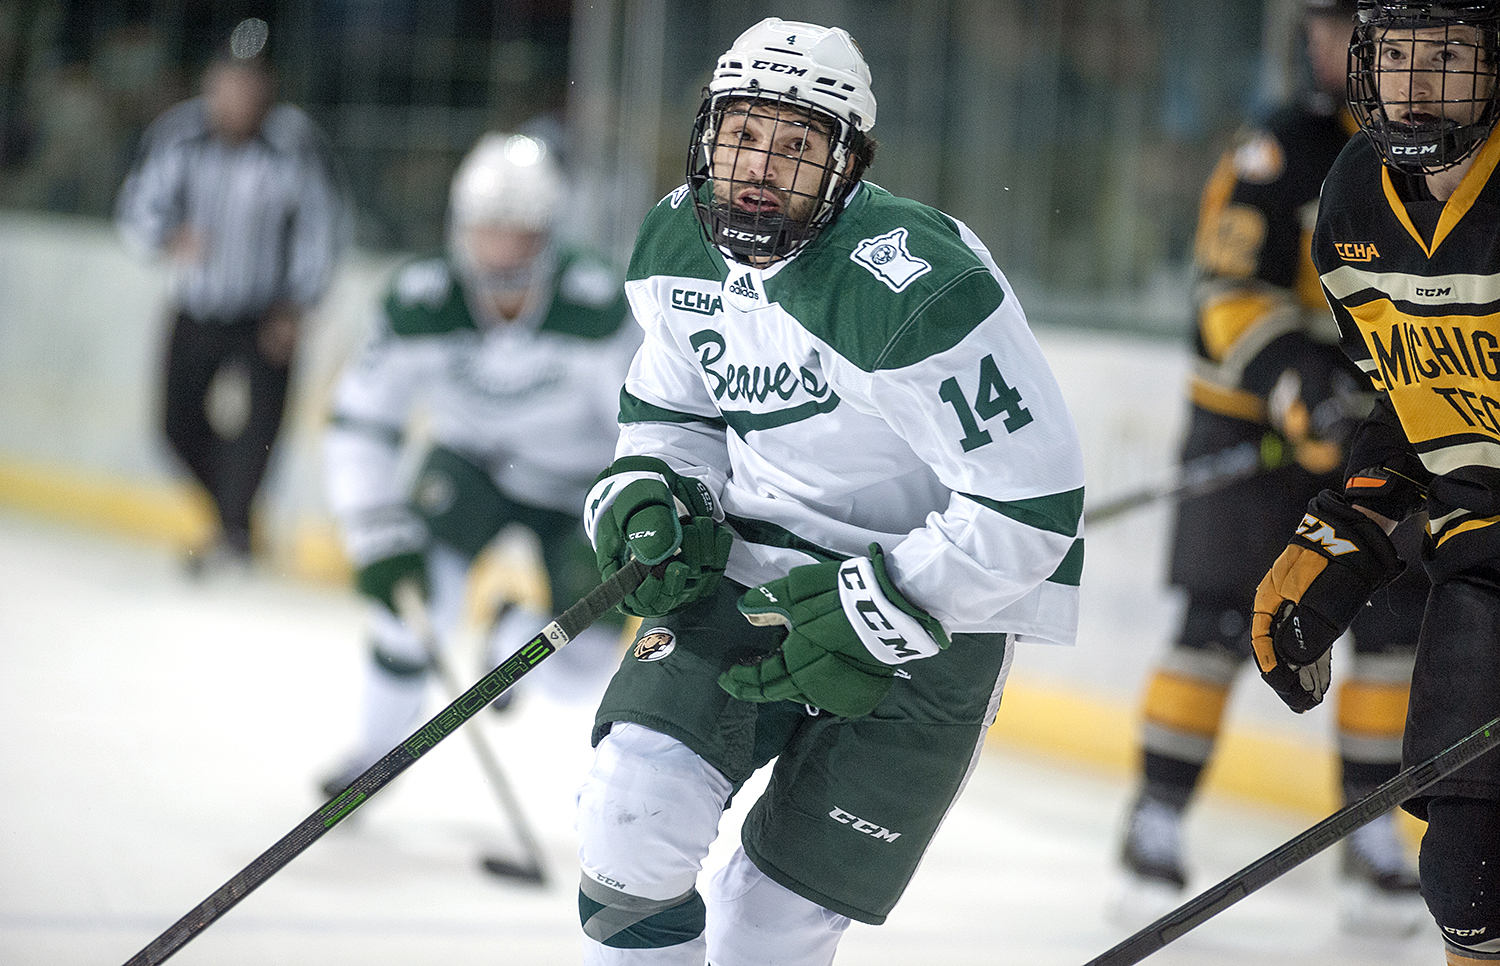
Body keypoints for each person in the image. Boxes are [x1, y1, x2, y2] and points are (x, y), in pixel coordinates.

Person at [574, 17, 1085, 965]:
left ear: (848, 166)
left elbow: (1033, 507)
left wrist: (884, 606)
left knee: (770, 930)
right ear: (706, 133)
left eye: (796, 146)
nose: (759, 166)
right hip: (757, 564)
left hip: (933, 603)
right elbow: (672, 411)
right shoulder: (675, 240)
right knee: (628, 822)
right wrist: (655, 490)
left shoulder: (914, 284)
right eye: (742, 134)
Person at [1112, 0, 1431, 933]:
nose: (1339, 46)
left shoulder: (1445, 157)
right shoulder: (1281, 146)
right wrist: (1298, 379)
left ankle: (1371, 827)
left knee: (1394, 624)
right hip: (1250, 426)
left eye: (1356, 28)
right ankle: (1158, 811)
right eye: (1331, 28)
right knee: (1219, 619)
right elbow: (1227, 291)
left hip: (1383, 431)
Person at [1253, 1, 1500, 961]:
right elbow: (1413, 395)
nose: (1415, 82)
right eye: (1394, 54)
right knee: (1468, 877)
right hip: (1481, 565)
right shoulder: (1354, 197)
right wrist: (1350, 527)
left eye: (1447, 55)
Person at [317, 131, 639, 797]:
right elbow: (361, 418)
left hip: (579, 486)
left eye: (518, 232)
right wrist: (373, 527)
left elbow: (644, 425)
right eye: (487, 229)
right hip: (469, 467)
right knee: (411, 611)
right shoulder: (421, 297)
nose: (500, 250)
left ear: (548, 234)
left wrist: (640, 506)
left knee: (580, 672)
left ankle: (512, 636)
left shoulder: (597, 304)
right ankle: (374, 758)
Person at [115, 26, 348, 571]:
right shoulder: (179, 134)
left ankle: (235, 534)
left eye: (252, 84)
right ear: (210, 84)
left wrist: (297, 305)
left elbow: (323, 227)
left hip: (267, 312)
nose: (240, 96)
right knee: (175, 424)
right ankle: (233, 521)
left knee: (261, 432)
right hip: (196, 308)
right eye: (230, 83)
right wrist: (168, 235)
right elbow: (136, 208)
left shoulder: (295, 143)